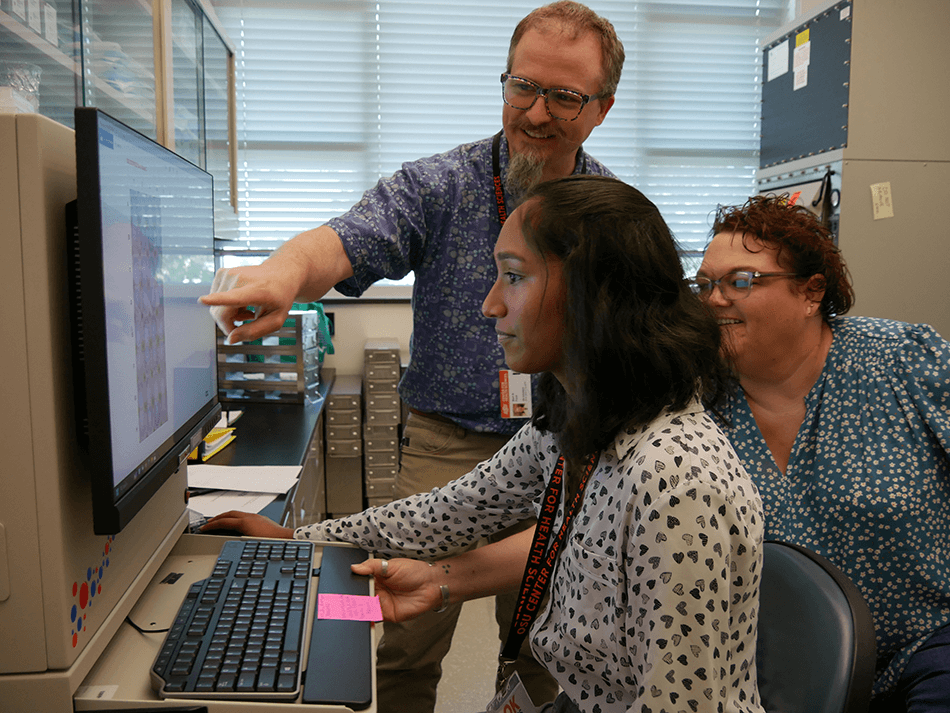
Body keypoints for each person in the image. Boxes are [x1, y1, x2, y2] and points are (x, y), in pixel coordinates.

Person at [204, 174, 766, 713]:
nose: (490, 305)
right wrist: (299, 539)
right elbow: (448, 512)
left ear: (596, 296)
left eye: (514, 277)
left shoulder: (676, 482)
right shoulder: (580, 422)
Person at [200, 3, 624, 709]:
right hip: (442, 440)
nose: (538, 112)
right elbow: (343, 240)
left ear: (601, 108)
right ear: (505, 83)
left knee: (550, 650)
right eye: (523, 86)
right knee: (405, 638)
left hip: (561, 448)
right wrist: (282, 273)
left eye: (565, 95)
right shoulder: (442, 185)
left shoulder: (612, 212)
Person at [692, 194, 950, 712]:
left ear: (811, 293)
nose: (715, 299)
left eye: (741, 281)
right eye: (704, 285)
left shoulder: (902, 362)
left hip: (930, 649)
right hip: (778, 669)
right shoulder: (693, 404)